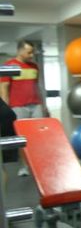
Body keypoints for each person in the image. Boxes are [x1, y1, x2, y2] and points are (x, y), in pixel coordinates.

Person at [1, 40, 49, 176]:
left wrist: (44, 105)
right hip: (18, 107)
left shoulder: (34, 67)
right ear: (20, 50)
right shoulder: (9, 66)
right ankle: (25, 167)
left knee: (39, 136)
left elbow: (38, 87)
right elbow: (4, 88)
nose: (32, 55)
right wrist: (6, 110)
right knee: (22, 138)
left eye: (32, 52)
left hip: (36, 105)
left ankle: (39, 165)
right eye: (29, 52)